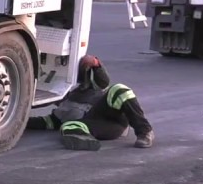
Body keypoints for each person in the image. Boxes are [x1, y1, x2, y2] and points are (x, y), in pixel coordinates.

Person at [27, 55, 155, 150]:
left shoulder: (89, 87)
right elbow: (45, 123)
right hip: (101, 127)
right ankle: (85, 141)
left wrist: (95, 64)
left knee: (119, 89)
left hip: (111, 115)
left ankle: (145, 132)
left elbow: (103, 81)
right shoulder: (61, 111)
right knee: (68, 126)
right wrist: (19, 123)